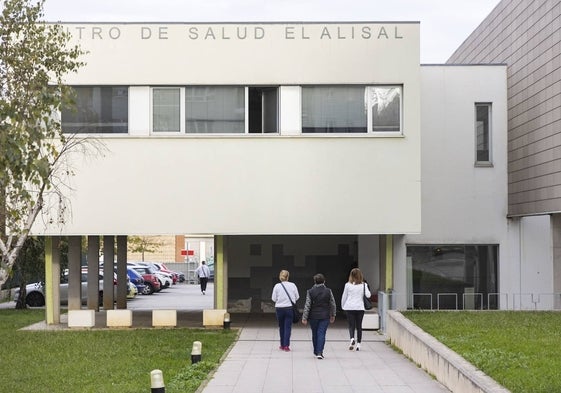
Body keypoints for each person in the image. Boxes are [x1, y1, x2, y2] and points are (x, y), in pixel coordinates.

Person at [301, 273, 336, 359]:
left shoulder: (310, 291)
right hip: (325, 316)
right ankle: (320, 352)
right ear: (324, 281)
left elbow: (307, 305)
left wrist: (304, 317)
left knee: (315, 333)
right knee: (321, 333)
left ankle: (316, 350)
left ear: (314, 281)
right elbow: (332, 303)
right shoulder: (328, 291)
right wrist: (333, 314)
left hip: (313, 316)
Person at [341, 267, 371, 351]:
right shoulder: (364, 285)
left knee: (351, 325)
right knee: (359, 326)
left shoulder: (347, 285)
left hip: (349, 307)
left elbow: (344, 296)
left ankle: (352, 339)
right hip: (360, 308)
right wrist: (366, 287)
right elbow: (368, 295)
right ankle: (358, 344)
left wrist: (343, 306)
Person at [271, 270, 299, 352]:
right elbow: (297, 296)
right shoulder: (293, 285)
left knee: (281, 327)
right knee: (287, 327)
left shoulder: (277, 286)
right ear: (288, 277)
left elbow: (273, 298)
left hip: (279, 309)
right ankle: (286, 345)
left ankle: (282, 345)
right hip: (289, 308)